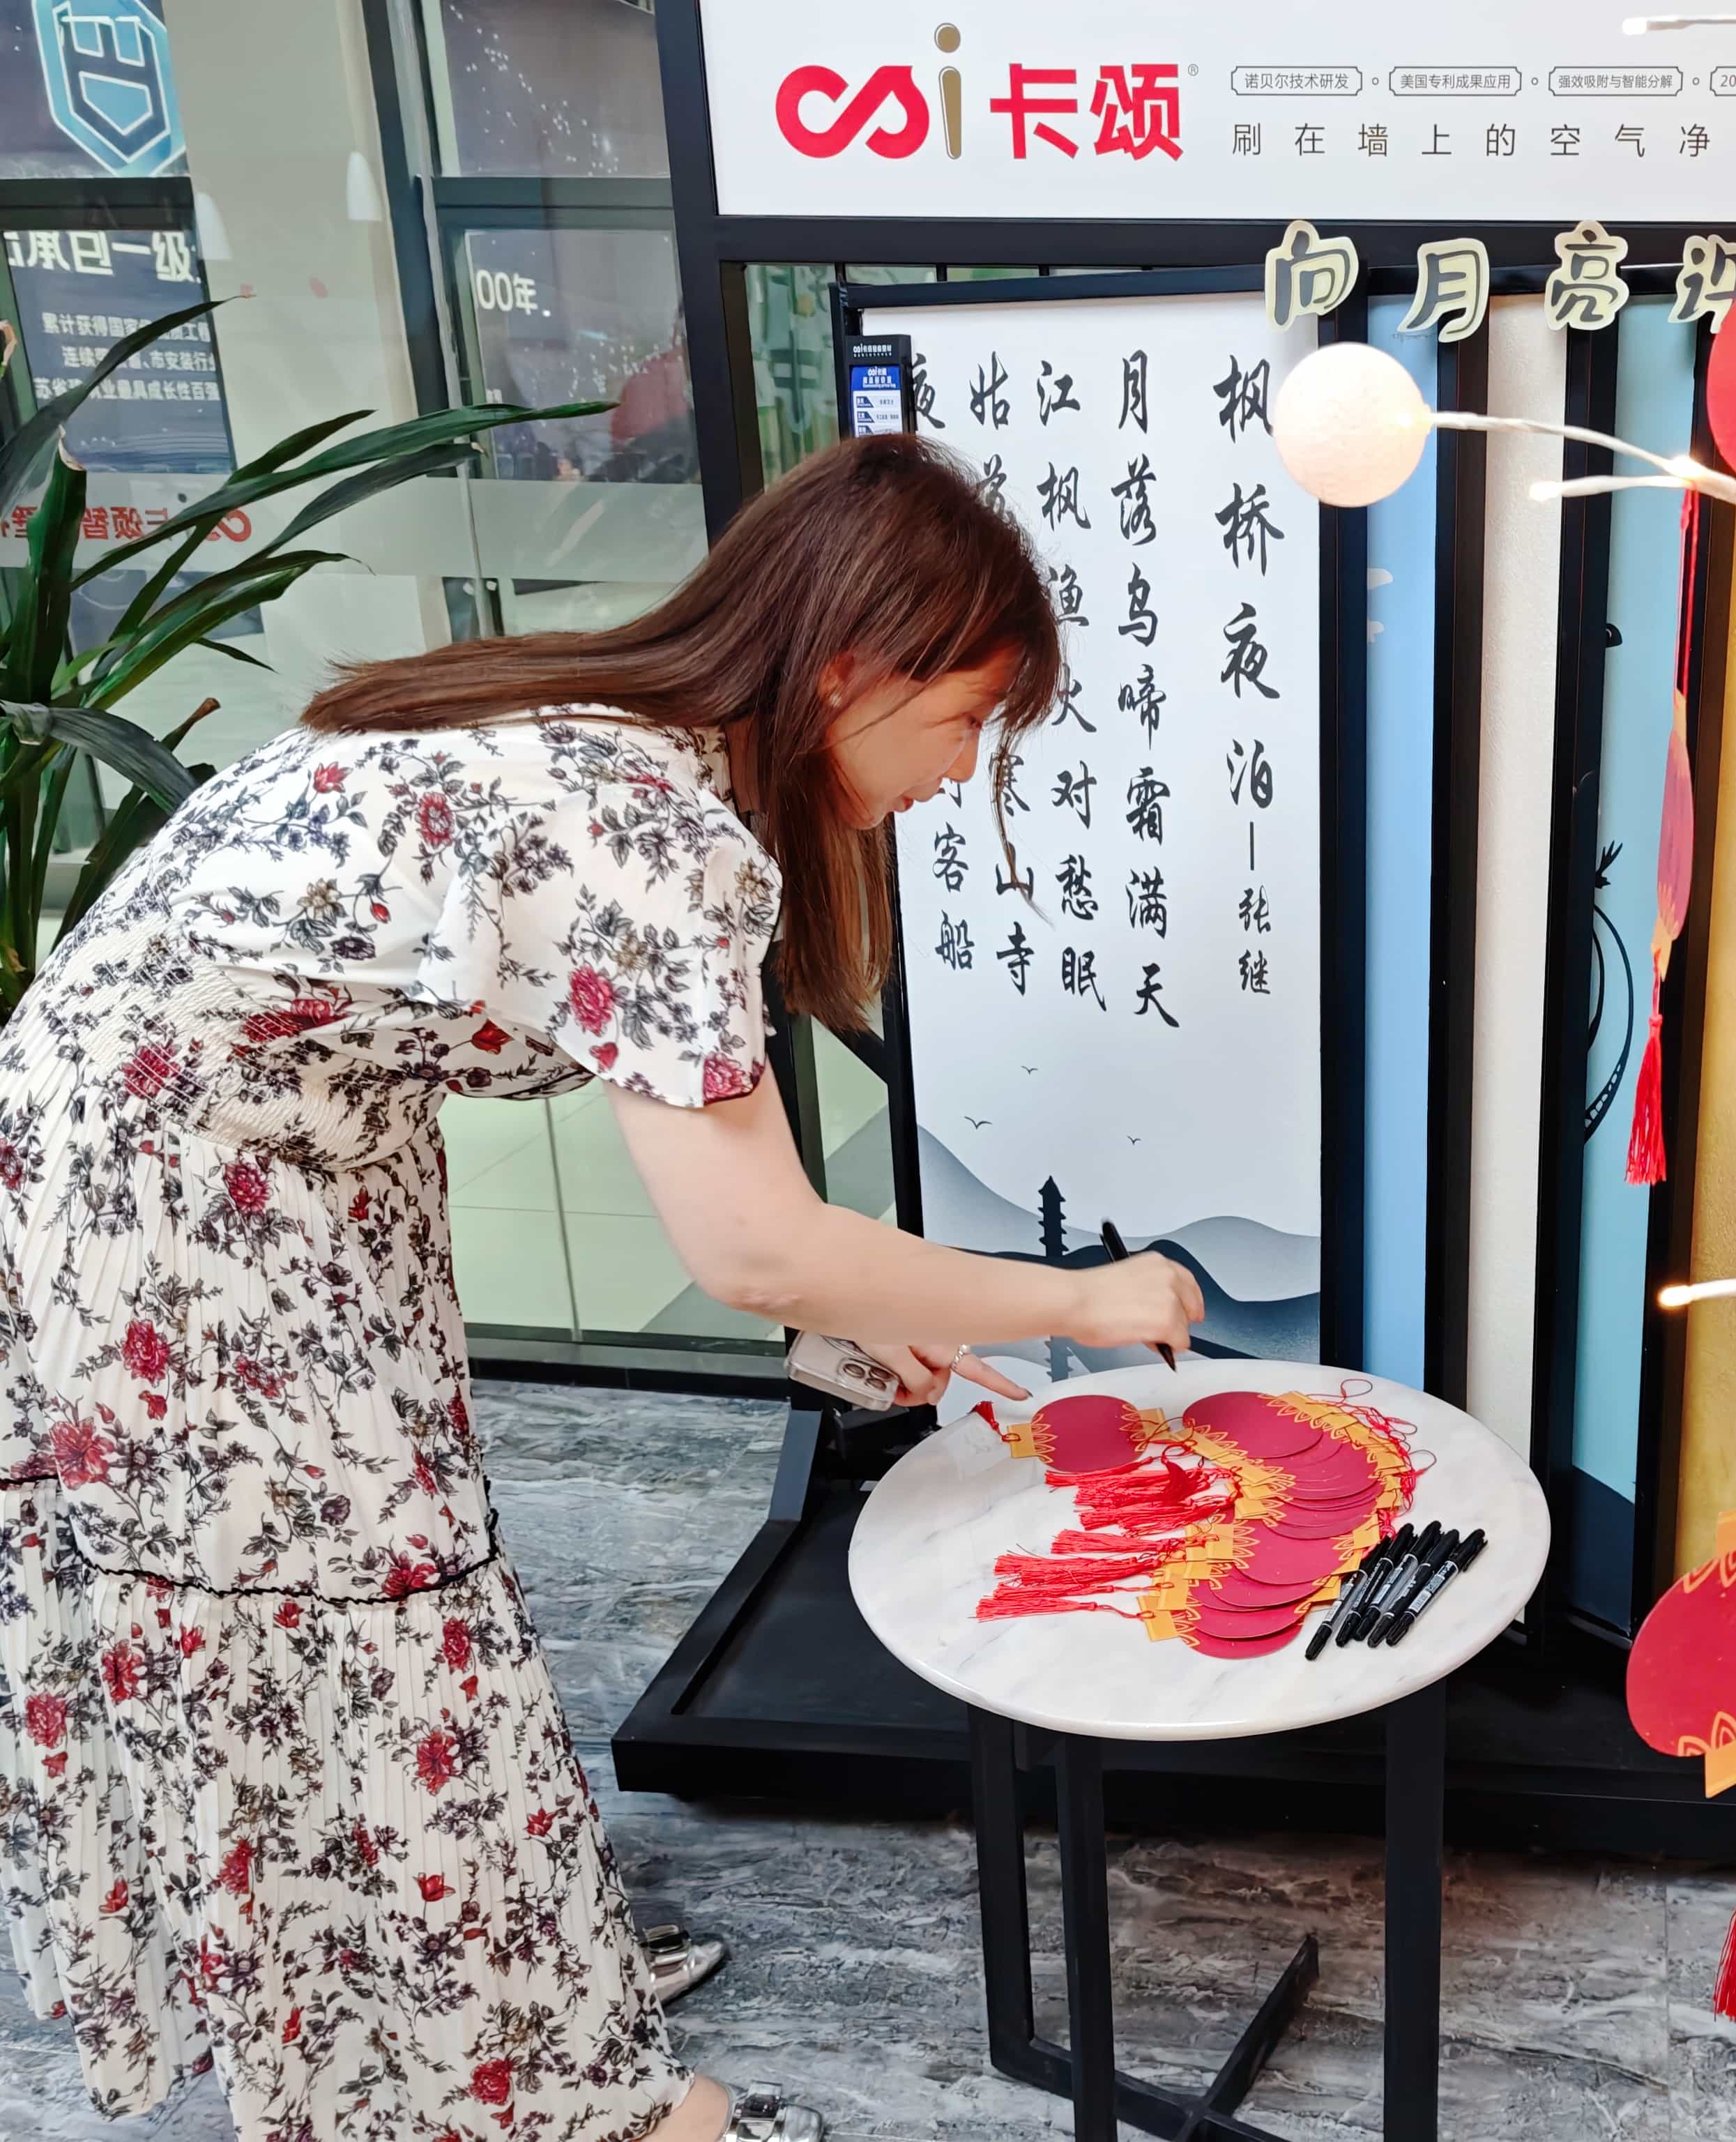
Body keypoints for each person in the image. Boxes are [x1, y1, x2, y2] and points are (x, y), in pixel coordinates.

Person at [0, 434, 1199, 2142]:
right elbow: (753, 1240)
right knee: (373, 1626)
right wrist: (1079, 1301)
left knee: (393, 1601)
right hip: (175, 1207)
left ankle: (497, 1975)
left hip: (227, 1158)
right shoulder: (648, 825)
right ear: (849, 667)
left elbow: (730, 1206)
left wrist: (853, 1307)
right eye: (959, 722)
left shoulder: (599, 733)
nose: (956, 775)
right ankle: (570, 2100)